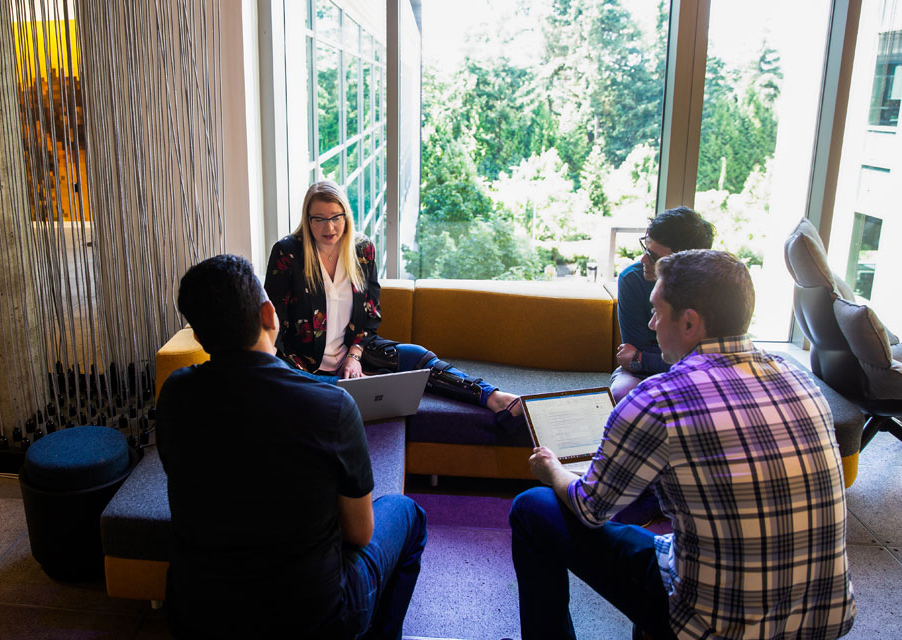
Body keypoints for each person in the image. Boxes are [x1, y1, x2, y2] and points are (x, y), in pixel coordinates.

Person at [510, 250, 855, 640]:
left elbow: (592, 509)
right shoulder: (800, 380)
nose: (651, 323)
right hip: (824, 618)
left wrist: (553, 468)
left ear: (689, 322)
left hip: (716, 627)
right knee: (667, 544)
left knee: (532, 508)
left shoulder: (658, 399)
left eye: (657, 312)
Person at [157, 254, 427, 639]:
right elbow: (360, 534)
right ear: (269, 314)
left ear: (199, 336)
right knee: (407, 513)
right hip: (312, 618)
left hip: (196, 611)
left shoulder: (175, 393)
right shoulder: (331, 405)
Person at [264, 180, 523, 427]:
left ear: (346, 216)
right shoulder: (288, 253)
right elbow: (275, 325)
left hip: (354, 353)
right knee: (296, 381)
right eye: (319, 219)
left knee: (417, 356)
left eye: (336, 217)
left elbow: (370, 315)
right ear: (307, 219)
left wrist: (354, 357)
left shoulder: (362, 251)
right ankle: (350, 388)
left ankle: (491, 397)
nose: (329, 227)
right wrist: (291, 366)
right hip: (302, 361)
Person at [611, 207, 714, 402]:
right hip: (644, 373)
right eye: (646, 249)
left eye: (655, 257)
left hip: (699, 373)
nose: (643, 260)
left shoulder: (713, 286)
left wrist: (643, 358)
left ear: (687, 263)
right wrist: (640, 358)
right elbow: (631, 351)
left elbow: (711, 358)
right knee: (623, 392)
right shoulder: (632, 280)